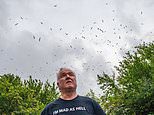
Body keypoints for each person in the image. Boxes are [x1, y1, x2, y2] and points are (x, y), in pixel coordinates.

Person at [41, 67, 106, 115]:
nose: (68, 76)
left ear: (75, 81)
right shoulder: (49, 109)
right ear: (58, 84)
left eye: (71, 74)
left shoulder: (90, 103)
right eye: (63, 75)